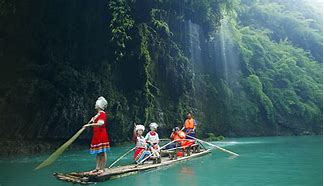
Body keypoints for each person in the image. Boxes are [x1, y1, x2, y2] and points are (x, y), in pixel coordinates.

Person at [83, 96, 110, 175]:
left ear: (99, 105)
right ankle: (97, 168)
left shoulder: (102, 114)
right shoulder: (97, 115)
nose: (95, 104)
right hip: (97, 134)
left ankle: (102, 168)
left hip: (101, 134)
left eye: (96, 103)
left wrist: (89, 125)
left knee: (102, 151)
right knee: (98, 152)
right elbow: (95, 121)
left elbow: (100, 123)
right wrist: (91, 121)